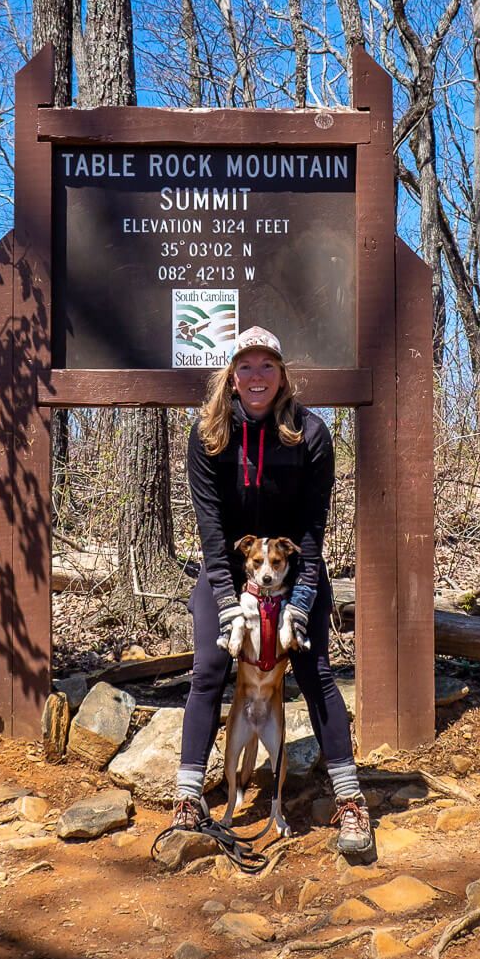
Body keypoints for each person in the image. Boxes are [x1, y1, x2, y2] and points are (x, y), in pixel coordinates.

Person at [172, 325, 373, 857]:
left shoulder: (311, 434)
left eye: (267, 366)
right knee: (211, 669)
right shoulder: (208, 434)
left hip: (294, 571)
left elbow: (312, 529)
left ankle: (351, 800)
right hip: (230, 573)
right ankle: (189, 798)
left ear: (282, 375)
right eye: (246, 366)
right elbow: (212, 533)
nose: (256, 376)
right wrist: (227, 604)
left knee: (315, 671)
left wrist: (301, 603)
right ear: (232, 378)